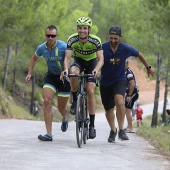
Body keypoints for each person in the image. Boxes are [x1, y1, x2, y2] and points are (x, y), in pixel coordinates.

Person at [100, 25, 155, 143]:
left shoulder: (125, 48)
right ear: (109, 37)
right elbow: (94, 58)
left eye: (116, 38)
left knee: (120, 101)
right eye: (111, 38)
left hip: (120, 79)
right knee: (109, 109)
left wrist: (148, 67)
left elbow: (139, 54)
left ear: (120, 37)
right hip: (105, 81)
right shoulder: (102, 47)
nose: (113, 41)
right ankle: (113, 130)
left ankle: (121, 130)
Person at [25, 25, 70, 141]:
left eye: (53, 36)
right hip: (51, 77)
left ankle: (65, 116)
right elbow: (34, 58)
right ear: (45, 36)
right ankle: (49, 134)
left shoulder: (63, 46)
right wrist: (29, 73)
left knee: (61, 107)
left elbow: (72, 59)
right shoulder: (42, 48)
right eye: (48, 35)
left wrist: (68, 71)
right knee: (46, 101)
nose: (50, 38)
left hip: (64, 78)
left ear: (57, 36)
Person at [61, 17, 104, 139]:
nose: (82, 31)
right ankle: (75, 100)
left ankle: (91, 125)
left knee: (90, 90)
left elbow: (101, 59)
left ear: (89, 30)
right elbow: (67, 58)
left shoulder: (95, 40)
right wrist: (65, 69)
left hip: (92, 63)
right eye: (80, 28)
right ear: (77, 29)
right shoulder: (72, 39)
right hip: (78, 61)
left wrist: (96, 69)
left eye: (85, 28)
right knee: (73, 72)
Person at [124, 59, 139, 133]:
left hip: (133, 92)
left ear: (127, 64)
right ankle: (128, 126)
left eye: (124, 63)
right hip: (130, 92)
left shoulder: (128, 73)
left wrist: (129, 95)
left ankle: (130, 127)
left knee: (127, 109)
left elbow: (132, 85)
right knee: (126, 109)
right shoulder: (124, 72)